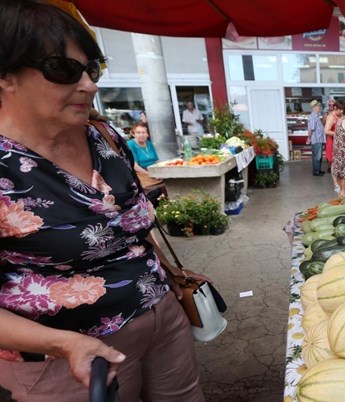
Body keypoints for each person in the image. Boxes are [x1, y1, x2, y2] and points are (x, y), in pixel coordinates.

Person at [0, 1, 208, 400]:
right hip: (67, 360)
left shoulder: (103, 136)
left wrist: (167, 272)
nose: (90, 86)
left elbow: (130, 226)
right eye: (63, 69)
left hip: (161, 315)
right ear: (6, 75)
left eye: (92, 69)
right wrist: (64, 345)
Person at [325, 99, 345, 194]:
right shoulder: (331, 117)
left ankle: (341, 183)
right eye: (340, 110)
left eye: (343, 110)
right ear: (335, 108)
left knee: (340, 163)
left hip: (340, 143)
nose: (341, 112)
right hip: (332, 142)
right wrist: (338, 133)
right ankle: (335, 184)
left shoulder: (341, 115)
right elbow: (326, 131)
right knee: (334, 163)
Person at [306, 100, 325, 176]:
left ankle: (318, 170)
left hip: (319, 139)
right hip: (316, 140)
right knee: (317, 156)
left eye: (320, 106)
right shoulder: (313, 116)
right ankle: (316, 171)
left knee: (319, 156)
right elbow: (311, 129)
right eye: (318, 106)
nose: (320, 107)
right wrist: (309, 138)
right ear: (314, 107)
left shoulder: (316, 115)